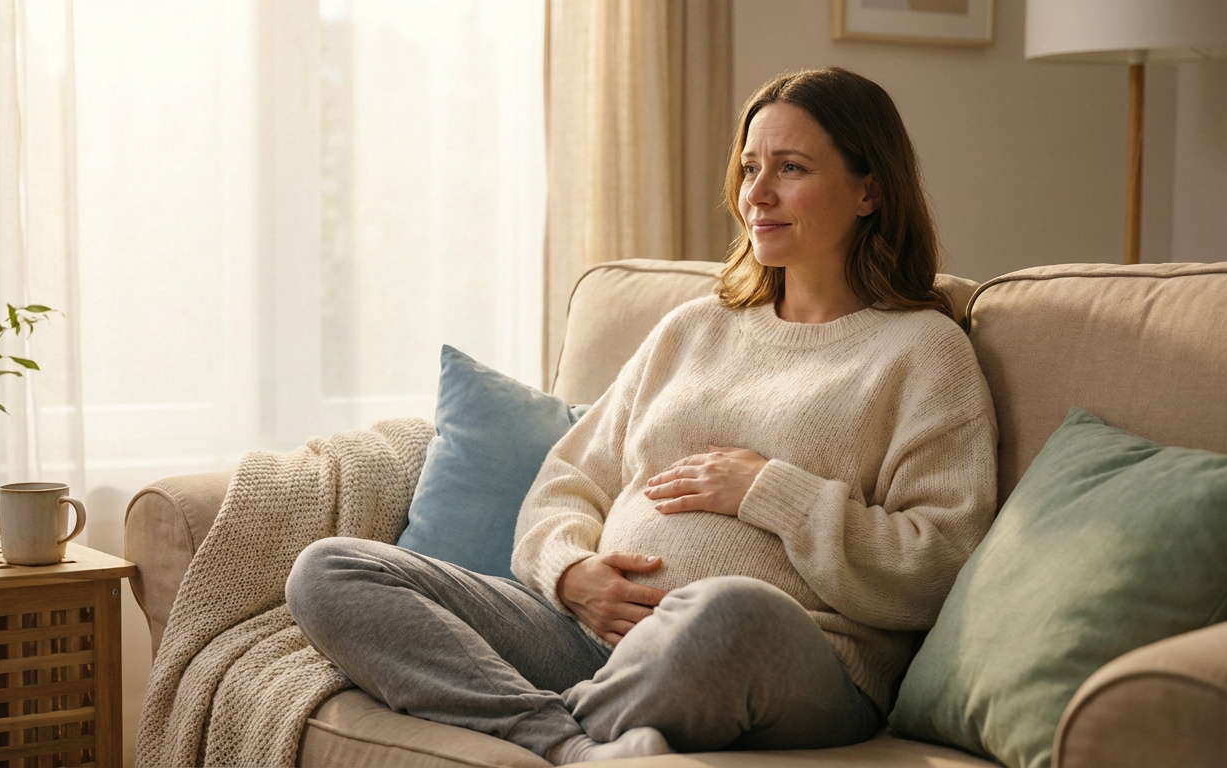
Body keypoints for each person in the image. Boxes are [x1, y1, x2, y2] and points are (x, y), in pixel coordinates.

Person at [286, 66, 997, 764]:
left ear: (869, 189)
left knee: (728, 610)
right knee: (330, 570)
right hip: (590, 638)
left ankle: (544, 725)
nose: (758, 194)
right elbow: (568, 480)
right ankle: (566, 742)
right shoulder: (695, 328)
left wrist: (768, 490)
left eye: (791, 169)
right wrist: (570, 574)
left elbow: (936, 563)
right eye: (750, 168)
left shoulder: (924, 351)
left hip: (783, 656)